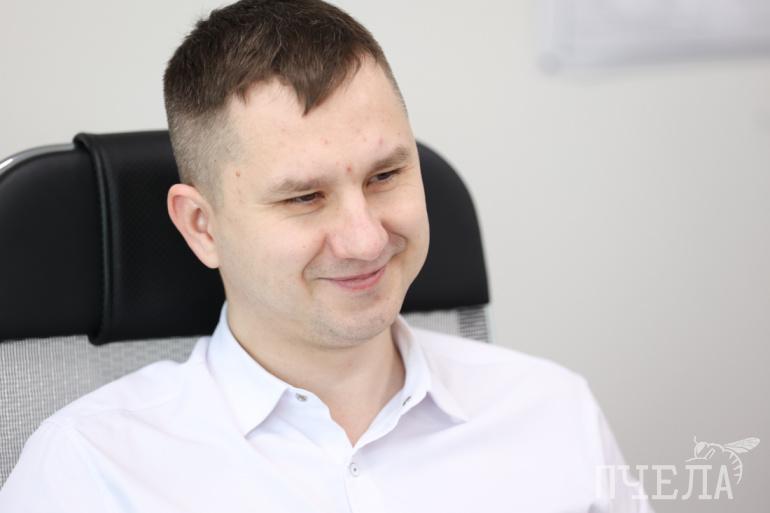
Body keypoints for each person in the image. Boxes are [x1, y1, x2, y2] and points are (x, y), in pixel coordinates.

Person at [0, 1, 654, 511]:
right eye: (305, 197)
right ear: (202, 226)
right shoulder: (91, 471)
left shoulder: (552, 411)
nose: (366, 240)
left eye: (386, 176)